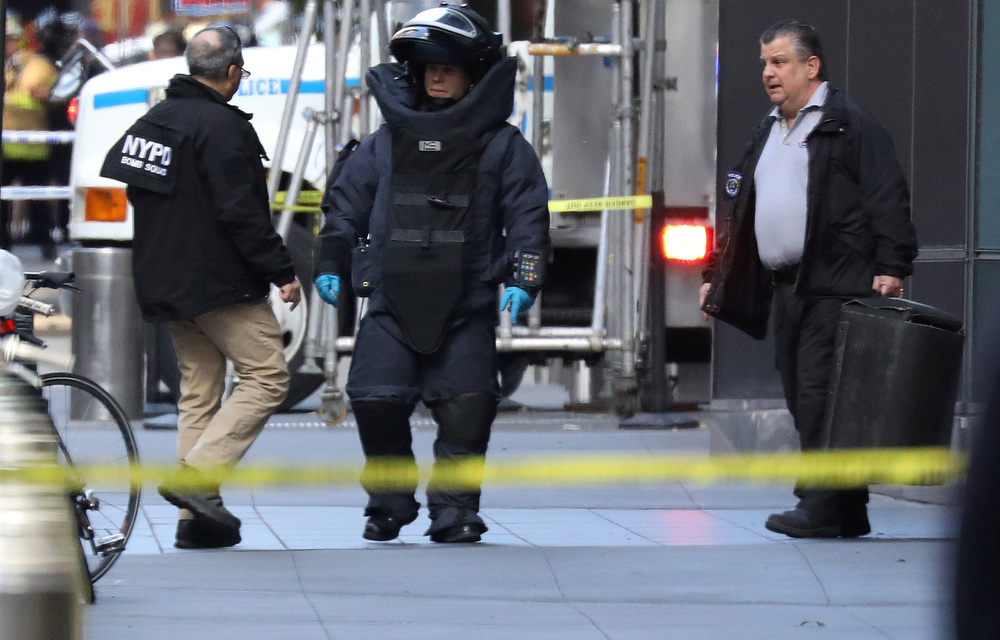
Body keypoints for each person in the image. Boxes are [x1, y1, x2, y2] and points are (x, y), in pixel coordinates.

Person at [313, 4, 550, 544]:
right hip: (391, 303)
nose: (437, 74)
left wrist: (523, 277)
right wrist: (329, 260)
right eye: (428, 66)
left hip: (466, 304)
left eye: (448, 65)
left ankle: (455, 511)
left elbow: (529, 217)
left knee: (468, 411)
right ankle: (390, 503)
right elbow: (344, 207)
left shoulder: (502, 146)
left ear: (474, 73)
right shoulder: (384, 142)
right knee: (374, 400)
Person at [700, 20, 917, 538]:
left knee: (821, 395)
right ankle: (848, 509)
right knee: (805, 395)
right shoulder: (768, 129)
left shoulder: (849, 125)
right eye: (763, 64)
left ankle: (818, 507)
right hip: (787, 288)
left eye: (779, 62)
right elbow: (739, 208)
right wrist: (716, 272)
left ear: (811, 67)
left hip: (836, 285)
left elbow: (887, 197)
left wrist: (892, 266)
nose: (768, 73)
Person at [100, 24, 302, 550]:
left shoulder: (154, 121)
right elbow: (243, 213)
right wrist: (282, 271)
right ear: (232, 72)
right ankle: (196, 482)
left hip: (163, 280)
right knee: (268, 378)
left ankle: (197, 523)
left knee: (199, 392)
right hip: (219, 284)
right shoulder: (222, 127)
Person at [3, 10, 58, 259]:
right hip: (5, 147)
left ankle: (44, 242)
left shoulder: (38, 65)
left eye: (9, 39)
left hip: (33, 144)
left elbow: (43, 94)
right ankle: (4, 245)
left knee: (38, 199)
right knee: (2, 200)